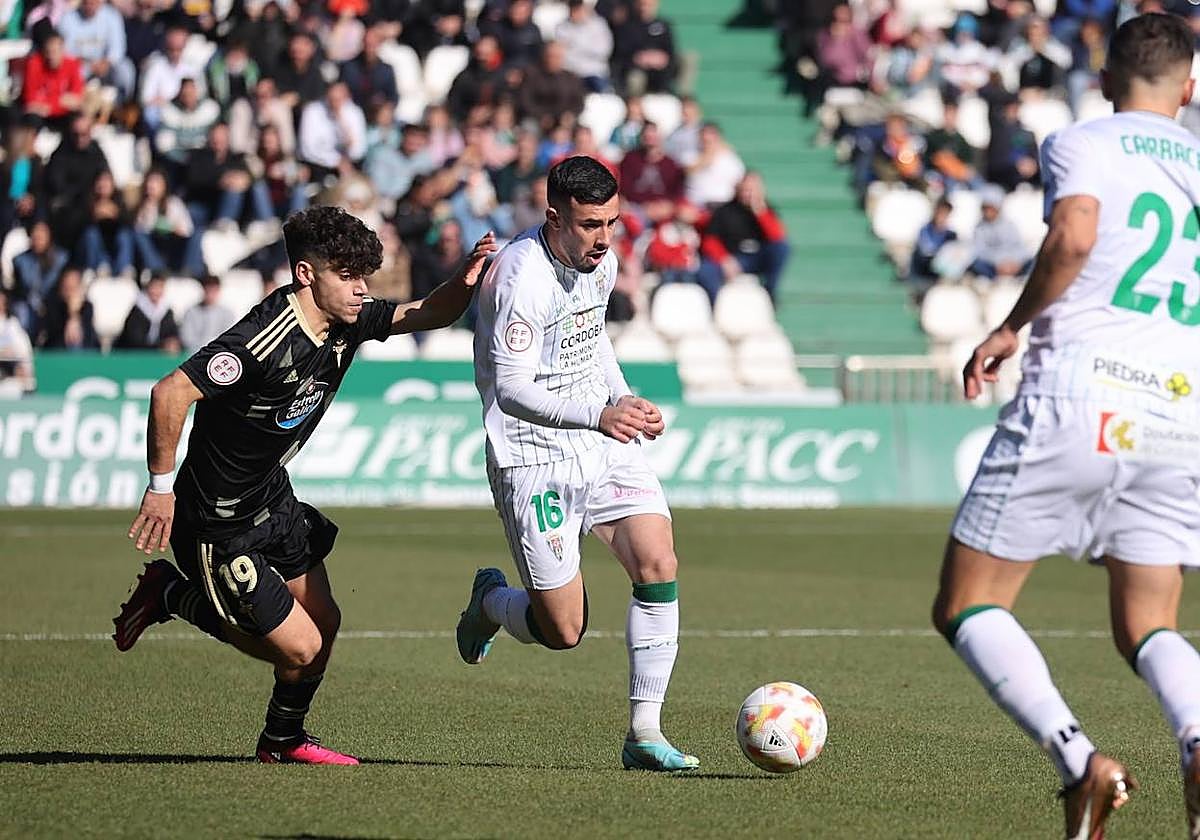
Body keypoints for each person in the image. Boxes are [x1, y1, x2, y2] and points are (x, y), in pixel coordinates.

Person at [932, 14, 1200, 838]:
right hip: (1178, 410)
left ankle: (1079, 759)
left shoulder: (1087, 142)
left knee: (968, 602)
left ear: (1107, 77)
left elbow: (1076, 233)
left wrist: (1011, 326)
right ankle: (1197, 737)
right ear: (1188, 87)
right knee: (1149, 621)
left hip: (1081, 393)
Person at [112, 206, 497, 765]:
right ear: (306, 275)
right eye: (347, 275)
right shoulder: (262, 340)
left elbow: (428, 312)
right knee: (301, 647)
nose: (362, 290)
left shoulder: (350, 318)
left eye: (364, 276)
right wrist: (159, 488)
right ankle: (173, 594)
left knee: (327, 623)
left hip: (272, 498)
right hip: (217, 522)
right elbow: (169, 394)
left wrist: (463, 280)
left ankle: (282, 740)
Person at [456, 155, 698, 773]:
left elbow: (592, 343)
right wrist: (598, 413)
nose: (604, 238)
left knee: (658, 561)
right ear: (554, 218)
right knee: (564, 631)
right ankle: (490, 603)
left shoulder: (601, 261)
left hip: (600, 438)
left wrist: (621, 400)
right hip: (530, 454)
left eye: (613, 222)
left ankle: (645, 732)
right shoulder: (520, 278)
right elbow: (509, 389)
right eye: (590, 225)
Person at [696, 172, 789, 303]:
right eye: (745, 190)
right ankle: (715, 306)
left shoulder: (767, 211)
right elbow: (710, 241)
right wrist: (724, 260)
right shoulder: (725, 211)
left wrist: (760, 212)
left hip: (756, 258)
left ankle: (770, 293)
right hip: (731, 258)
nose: (748, 194)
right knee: (706, 270)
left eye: (752, 190)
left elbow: (777, 238)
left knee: (782, 248)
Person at [969, 185, 1033, 280]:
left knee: (1034, 261)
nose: (988, 212)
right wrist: (999, 263)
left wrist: (1014, 262)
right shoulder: (979, 228)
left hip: (1014, 265)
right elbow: (980, 251)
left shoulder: (1009, 225)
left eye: (990, 208)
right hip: (994, 267)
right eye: (985, 208)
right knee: (976, 264)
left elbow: (1020, 247)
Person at [114, 272, 182, 352]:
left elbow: (172, 333)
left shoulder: (167, 312)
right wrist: (160, 346)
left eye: (160, 287)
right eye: (154, 287)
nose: (156, 291)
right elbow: (134, 340)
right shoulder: (137, 310)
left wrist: (172, 343)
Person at [180, 274, 235, 351]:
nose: (210, 294)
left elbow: (229, 338)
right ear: (203, 290)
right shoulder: (191, 312)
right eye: (208, 290)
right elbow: (187, 338)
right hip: (195, 354)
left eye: (213, 290)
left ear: (218, 290)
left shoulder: (227, 314)